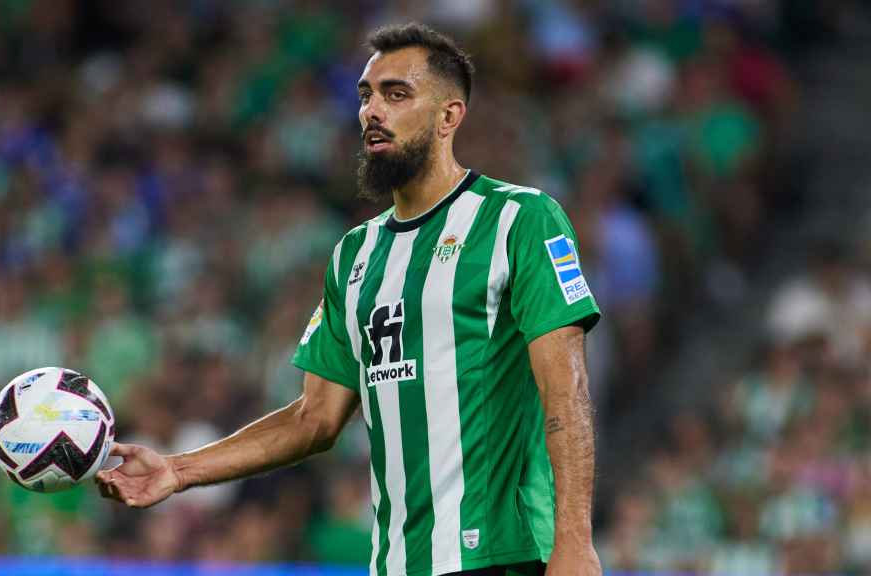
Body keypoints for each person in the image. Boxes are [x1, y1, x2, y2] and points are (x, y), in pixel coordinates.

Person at [97, 22, 602, 576]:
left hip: (505, 556)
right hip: (396, 562)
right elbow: (313, 419)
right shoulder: (354, 255)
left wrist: (574, 541)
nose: (371, 111)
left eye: (396, 94)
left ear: (449, 116)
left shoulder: (519, 219)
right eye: (366, 95)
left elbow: (566, 389)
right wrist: (179, 469)